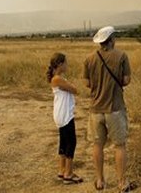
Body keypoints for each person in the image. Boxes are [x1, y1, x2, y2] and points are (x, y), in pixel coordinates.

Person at [83, 26, 137, 192]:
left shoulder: (89, 58)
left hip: (95, 109)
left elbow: (87, 83)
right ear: (112, 39)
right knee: (119, 145)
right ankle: (122, 183)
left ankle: (100, 181)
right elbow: (126, 80)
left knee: (97, 145)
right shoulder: (121, 56)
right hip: (115, 109)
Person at [47, 52, 83, 185]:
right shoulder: (57, 79)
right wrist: (71, 86)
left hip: (61, 113)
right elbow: (75, 90)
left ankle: (62, 170)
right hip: (64, 114)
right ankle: (68, 173)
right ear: (60, 64)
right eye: (66, 63)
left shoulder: (58, 78)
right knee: (71, 142)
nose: (67, 65)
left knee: (63, 142)